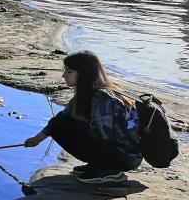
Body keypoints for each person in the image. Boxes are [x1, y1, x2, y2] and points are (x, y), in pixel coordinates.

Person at [24, 50, 142, 184]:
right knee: (60, 124)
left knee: (61, 128)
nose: (63, 75)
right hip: (120, 152)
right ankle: (98, 165)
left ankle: (110, 170)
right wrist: (37, 139)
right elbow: (61, 118)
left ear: (84, 74)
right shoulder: (89, 92)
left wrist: (80, 124)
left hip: (126, 156)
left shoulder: (102, 97)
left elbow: (105, 135)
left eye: (69, 72)